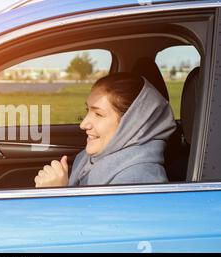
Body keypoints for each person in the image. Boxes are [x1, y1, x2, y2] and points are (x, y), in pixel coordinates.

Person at [34, 72, 176, 187]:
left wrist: (56, 195)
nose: (83, 124)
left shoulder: (141, 181)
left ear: (131, 123)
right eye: (87, 110)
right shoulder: (86, 159)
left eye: (98, 114)